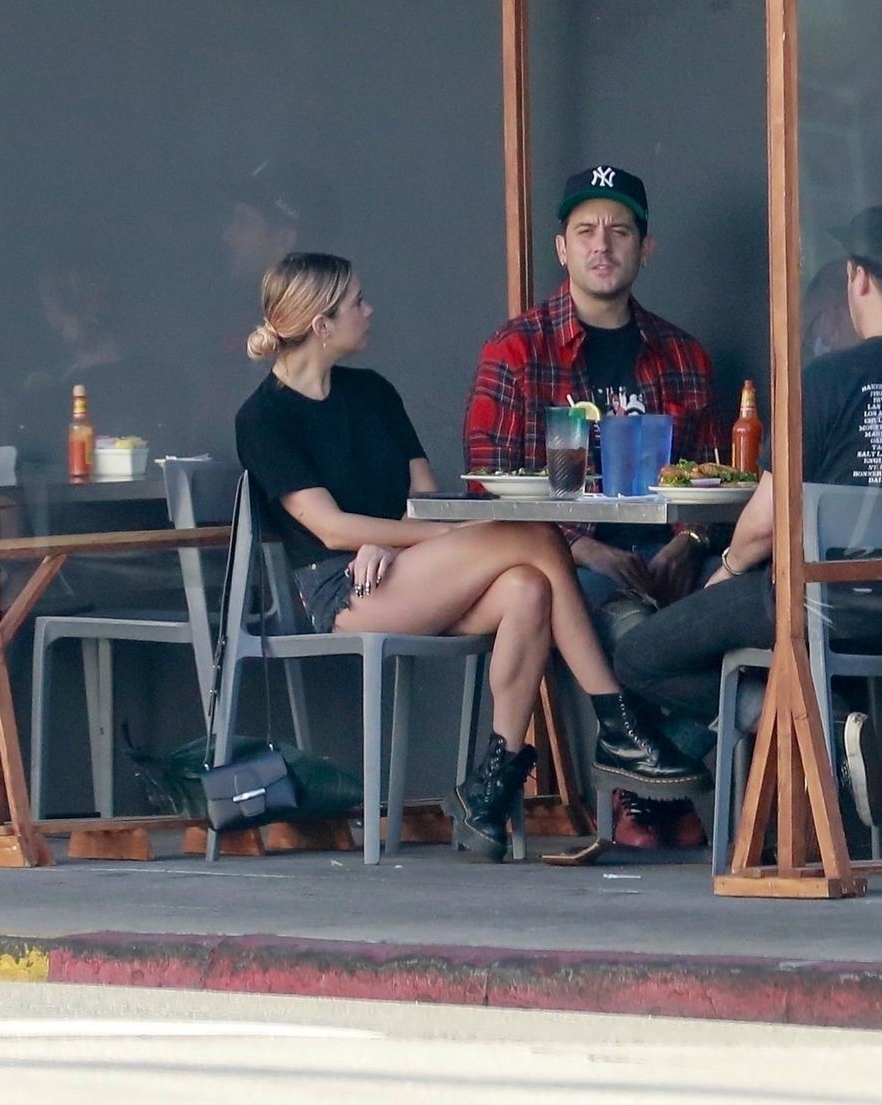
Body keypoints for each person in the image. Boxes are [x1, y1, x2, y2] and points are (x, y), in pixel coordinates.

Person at [233, 252, 702, 862]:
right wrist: (398, 540)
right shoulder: (264, 417)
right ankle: (616, 722)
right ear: (321, 324)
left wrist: (395, 539)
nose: (368, 311)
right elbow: (329, 528)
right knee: (535, 535)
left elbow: (427, 498)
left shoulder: (373, 393)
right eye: (356, 303)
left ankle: (489, 791)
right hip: (345, 589)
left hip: (405, 566)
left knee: (529, 586)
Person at [613, 205, 882, 827]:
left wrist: (728, 568)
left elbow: (766, 524)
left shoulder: (824, 382)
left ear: (857, 278)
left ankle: (828, 724)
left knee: (638, 657)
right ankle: (837, 731)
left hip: (834, 607)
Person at [463, 164, 722, 844]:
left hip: (669, 555)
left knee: (750, 619)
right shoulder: (518, 348)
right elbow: (485, 482)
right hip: (567, 565)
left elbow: (715, 477)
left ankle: (658, 786)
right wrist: (581, 545)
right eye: (585, 231)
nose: (601, 244)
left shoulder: (683, 354)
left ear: (645, 247)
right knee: (636, 629)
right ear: (562, 248)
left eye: (619, 230)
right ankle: (648, 797)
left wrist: (688, 543)